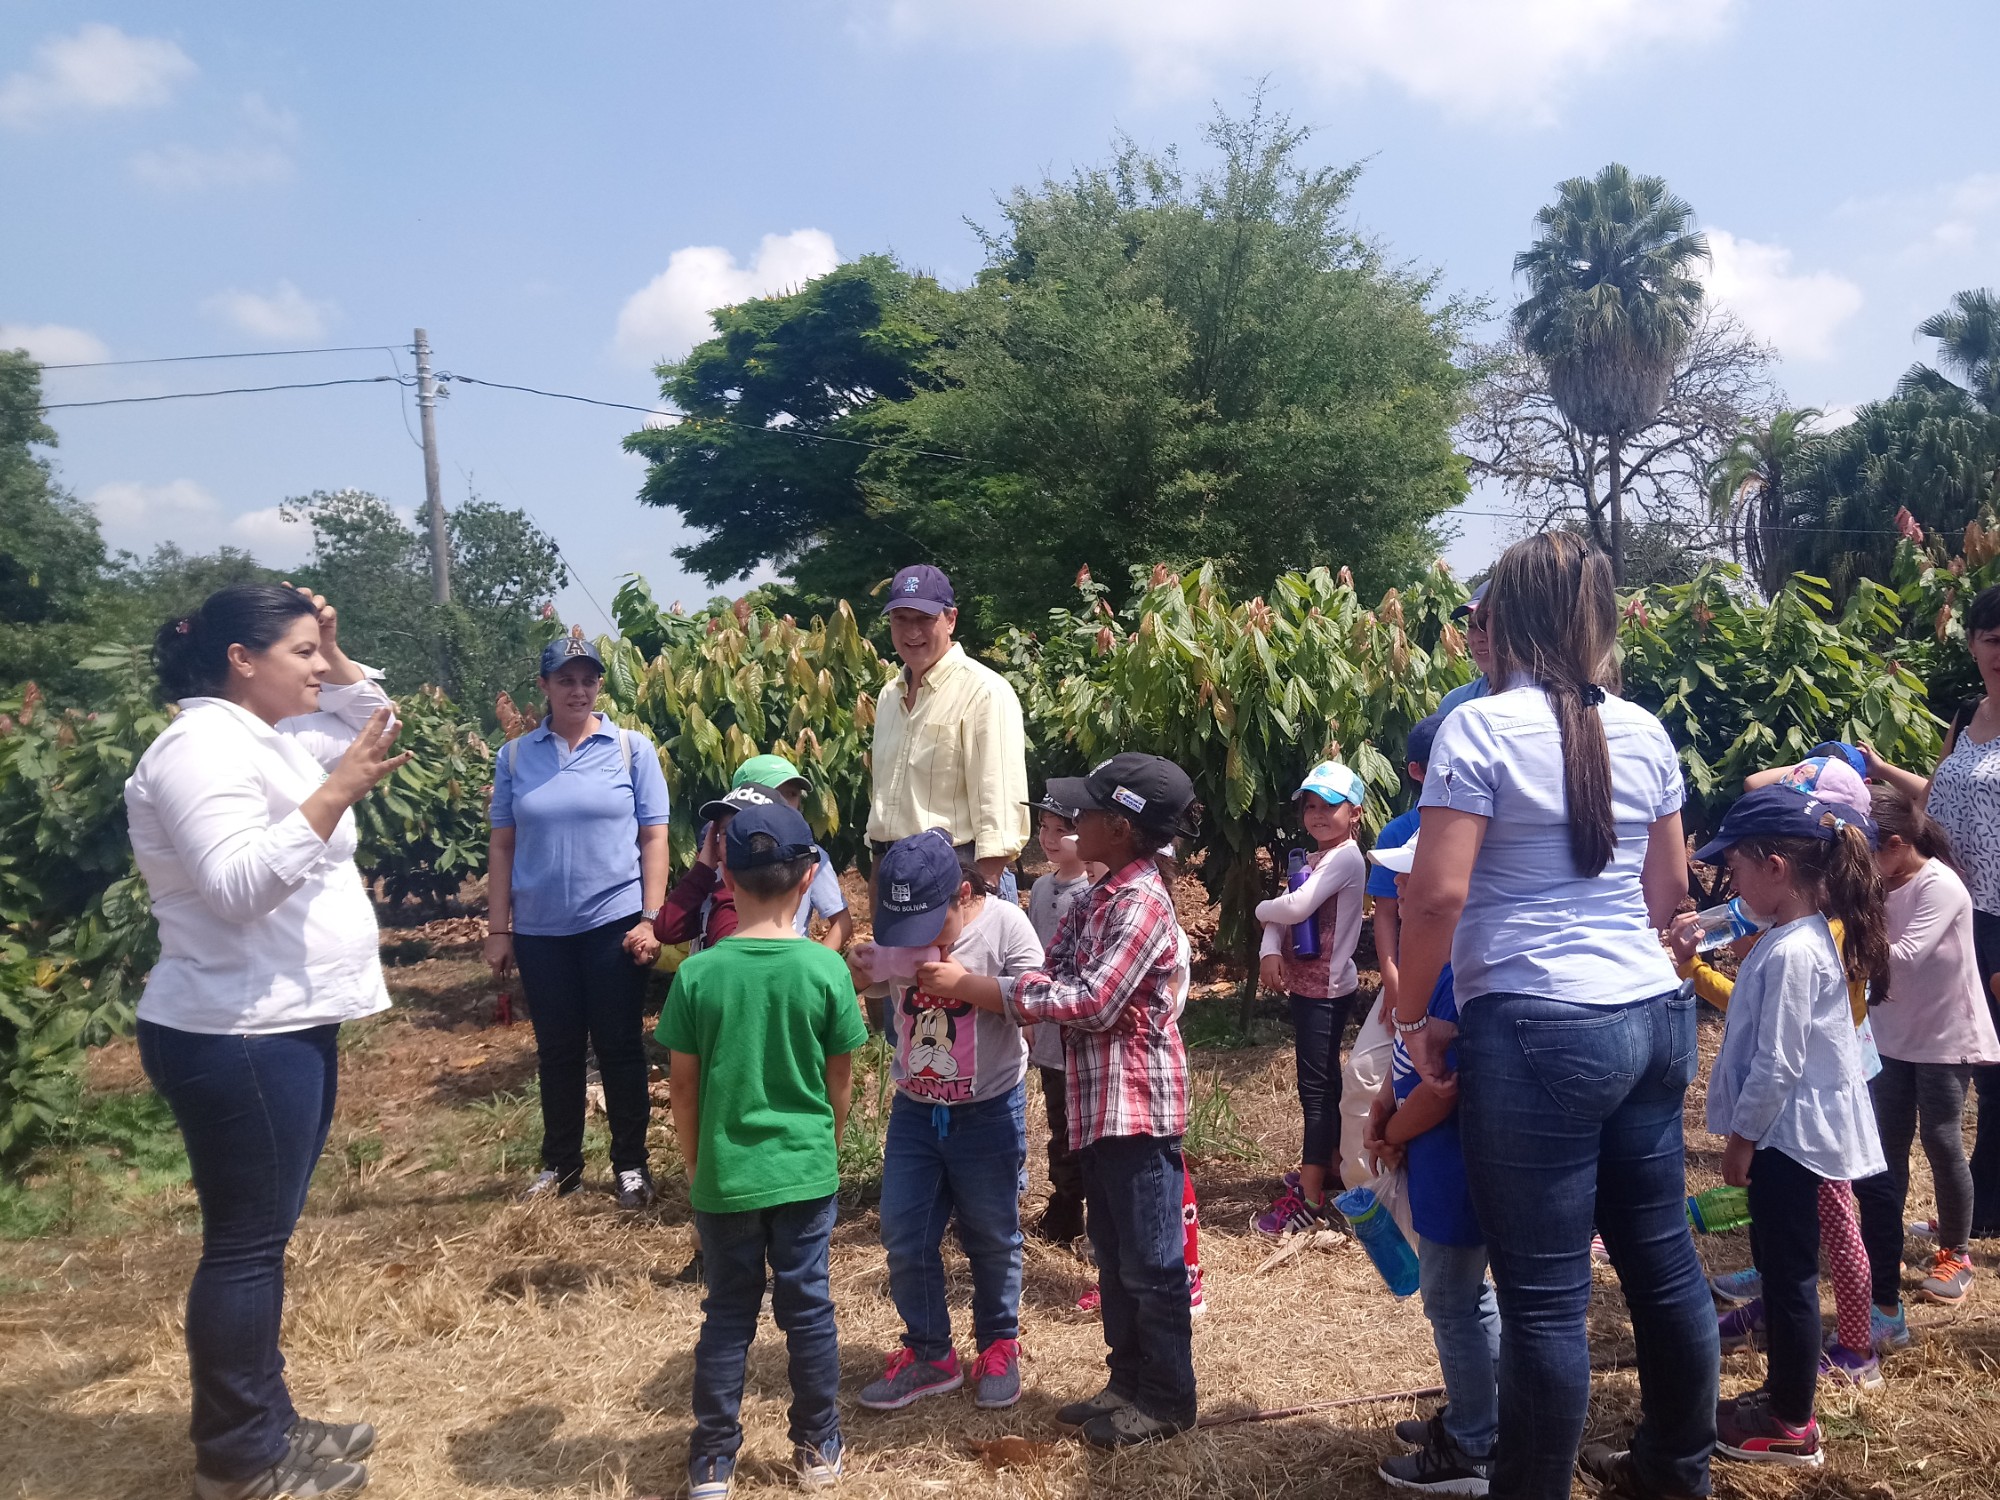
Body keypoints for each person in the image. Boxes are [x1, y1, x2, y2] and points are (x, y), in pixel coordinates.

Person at [1394, 532, 1718, 1500]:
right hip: (1648, 1022)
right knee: (1661, 1264)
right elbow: (1669, 899)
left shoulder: (1479, 729)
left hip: (1536, 1027)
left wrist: (1414, 1017)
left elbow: (1436, 898)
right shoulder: (1645, 730)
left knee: (1541, 1302)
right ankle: (1674, 1470)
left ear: (1508, 619)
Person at [126, 584, 411, 1500]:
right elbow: (237, 886)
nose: (319, 671)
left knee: (262, 1241)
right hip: (235, 1029)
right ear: (241, 661)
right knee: (245, 1247)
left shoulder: (268, 737)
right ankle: (240, 1461)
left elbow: (373, 715)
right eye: (299, 653)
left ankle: (269, 1422)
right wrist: (335, 792)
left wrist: (333, 638)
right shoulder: (198, 750)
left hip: (282, 1020)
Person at [919, 752, 1199, 1448]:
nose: (1071, 821)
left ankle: (1166, 1398)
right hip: (1099, 1107)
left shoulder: (1139, 903)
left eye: (1087, 811)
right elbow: (1057, 969)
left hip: (1135, 1109)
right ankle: (1127, 1381)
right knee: (1112, 1251)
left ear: (1121, 827)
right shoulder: (1101, 896)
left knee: (1151, 1262)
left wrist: (986, 990)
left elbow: (1092, 1000)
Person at [658, 798, 868, 1499]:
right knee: (808, 1311)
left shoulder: (697, 976)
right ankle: (818, 1449)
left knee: (726, 1315)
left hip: (725, 1173)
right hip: (805, 1171)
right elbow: (840, 1080)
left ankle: (713, 1461)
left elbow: (682, 1091)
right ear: (809, 877)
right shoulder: (825, 972)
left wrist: (697, 1167)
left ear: (726, 874)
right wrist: (824, 1146)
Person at [1668, 756, 1882, 1387]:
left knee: (1790, 1276)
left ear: (1776, 869)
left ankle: (1789, 1414)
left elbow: (1779, 1061)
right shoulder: (1795, 936)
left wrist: (1741, 1139)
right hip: (1787, 1135)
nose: (1730, 887)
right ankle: (1786, 1400)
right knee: (1784, 1264)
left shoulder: (1792, 952)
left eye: (1734, 870)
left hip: (1789, 1139)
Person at [848, 831, 1043, 1413]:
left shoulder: (1005, 924)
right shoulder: (904, 938)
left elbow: (1037, 996)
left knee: (991, 1234)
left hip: (988, 1112)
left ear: (962, 892)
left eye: (931, 926)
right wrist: (859, 970)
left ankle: (998, 1344)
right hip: (915, 1110)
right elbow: (868, 981)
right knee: (904, 1233)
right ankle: (931, 1352)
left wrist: (968, 987)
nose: (918, 943)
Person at [485, 627, 671, 1207]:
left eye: (588, 679)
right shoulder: (515, 756)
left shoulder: (629, 748)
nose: (578, 690)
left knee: (619, 1046)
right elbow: (502, 846)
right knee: (558, 1050)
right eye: (565, 680)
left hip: (613, 922)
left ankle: (631, 1165)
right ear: (544, 686)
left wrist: (653, 917)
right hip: (542, 930)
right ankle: (560, 1164)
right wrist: (498, 929)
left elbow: (654, 836)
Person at [1363, 834, 1500, 1496]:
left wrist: (1393, 1129)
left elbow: (1441, 1092)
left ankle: (1476, 1443)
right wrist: (1387, 1104)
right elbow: (1408, 1064)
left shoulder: (1456, 966)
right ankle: (1486, 1412)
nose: (1397, 893)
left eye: (1406, 881)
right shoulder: (1435, 962)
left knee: (1451, 1299)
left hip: (1456, 1160)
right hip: (1440, 1154)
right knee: (1470, 1296)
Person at [1862, 582, 2000, 1236]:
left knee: (1993, 1078)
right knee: (1950, 1075)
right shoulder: (1966, 716)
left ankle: (1981, 1222)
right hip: (1947, 910)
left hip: (1997, 920)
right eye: (1992, 639)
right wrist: (1884, 771)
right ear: (1973, 644)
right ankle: (1968, 1218)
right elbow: (1937, 797)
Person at [1852, 786, 2000, 1326]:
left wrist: (1837, 941)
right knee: (1885, 1143)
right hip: (1892, 1032)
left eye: (1868, 851)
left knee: (1941, 1139)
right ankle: (1881, 1242)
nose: (1863, 863)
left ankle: (1955, 1253)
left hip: (1943, 1034)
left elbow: (1907, 956)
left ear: (1895, 843)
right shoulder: (1878, 880)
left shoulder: (1941, 885)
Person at [866, 564, 1030, 899]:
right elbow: (884, 805)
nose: (912, 632)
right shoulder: (888, 696)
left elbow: (999, 808)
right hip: (892, 871)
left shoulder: (984, 691)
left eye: (924, 619)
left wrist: (979, 898)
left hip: (957, 876)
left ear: (951, 619)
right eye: (901, 618)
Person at [1252, 761, 1367, 1233]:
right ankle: (1335, 1164)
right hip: (1308, 986)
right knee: (1325, 1085)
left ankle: (1312, 1192)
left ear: (1354, 813)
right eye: (1311, 806)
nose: (1318, 815)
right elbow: (1287, 915)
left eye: (1330, 807)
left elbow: (1292, 907)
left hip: (1326, 988)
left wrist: (1260, 909)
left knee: (1315, 1090)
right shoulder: (1315, 859)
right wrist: (1269, 945)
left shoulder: (1346, 857)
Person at [1344, 713, 1444, 1191]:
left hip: (1448, 981)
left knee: (1430, 1080)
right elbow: (1386, 913)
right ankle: (1368, 1189)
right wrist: (1391, 976)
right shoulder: (1399, 832)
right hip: (1407, 975)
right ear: (1416, 772)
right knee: (1364, 1079)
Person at [660, 756, 853, 954]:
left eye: (792, 794)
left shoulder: (808, 856)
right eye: (776, 794)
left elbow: (841, 921)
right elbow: (668, 929)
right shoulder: (713, 860)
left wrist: (816, 966)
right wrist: (702, 869)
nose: (785, 804)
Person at [1025, 797, 1097, 1243]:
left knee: (1084, 1121)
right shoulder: (1040, 890)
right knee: (1059, 1121)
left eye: (1061, 829)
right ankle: (1066, 1203)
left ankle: (1088, 1207)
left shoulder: (1093, 893)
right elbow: (1033, 958)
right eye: (1044, 827)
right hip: (1049, 1028)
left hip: (1081, 1024)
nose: (1049, 839)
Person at [1435, 581, 1491, 718]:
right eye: (1472, 626)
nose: (1478, 637)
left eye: (1485, 624)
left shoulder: (1546, 699)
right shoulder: (1454, 703)